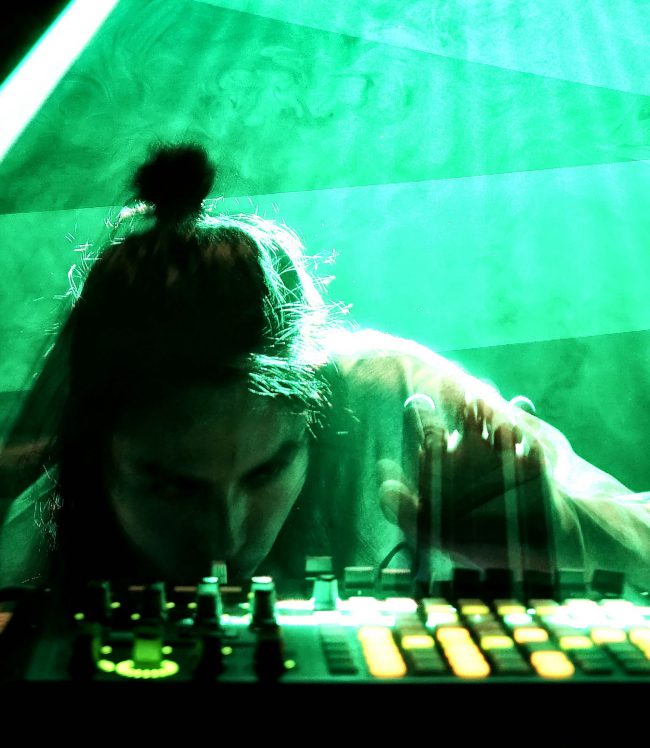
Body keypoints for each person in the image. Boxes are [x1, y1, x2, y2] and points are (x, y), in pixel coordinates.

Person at [1, 143, 649, 601]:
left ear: (316, 404)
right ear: (95, 453)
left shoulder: (398, 399)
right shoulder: (33, 527)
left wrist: (565, 536)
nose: (225, 537)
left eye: (267, 471)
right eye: (173, 487)